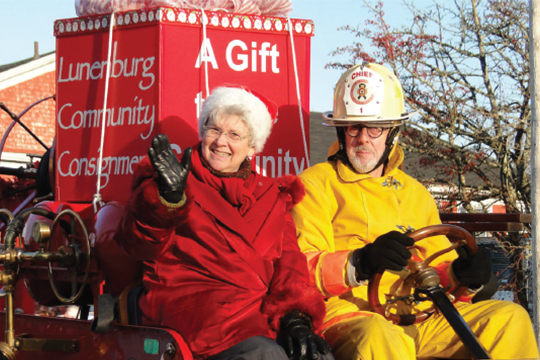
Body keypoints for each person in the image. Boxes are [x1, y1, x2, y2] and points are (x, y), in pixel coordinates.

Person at [290, 63, 539, 360]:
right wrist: (360, 261)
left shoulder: (415, 193)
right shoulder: (315, 184)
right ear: (342, 132)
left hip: (422, 316)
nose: (363, 138)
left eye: (375, 128)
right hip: (354, 314)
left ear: (392, 132)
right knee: (380, 338)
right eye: (354, 127)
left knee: (509, 319)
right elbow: (298, 269)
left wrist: (463, 276)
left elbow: (441, 271)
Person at [115, 86, 333, 360]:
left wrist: (295, 317)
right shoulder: (172, 180)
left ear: (253, 146)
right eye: (214, 130)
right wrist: (165, 200)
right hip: (193, 309)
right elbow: (137, 243)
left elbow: (289, 262)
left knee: (316, 354)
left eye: (234, 135)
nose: (220, 142)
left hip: (257, 314)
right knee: (265, 355)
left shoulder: (271, 195)